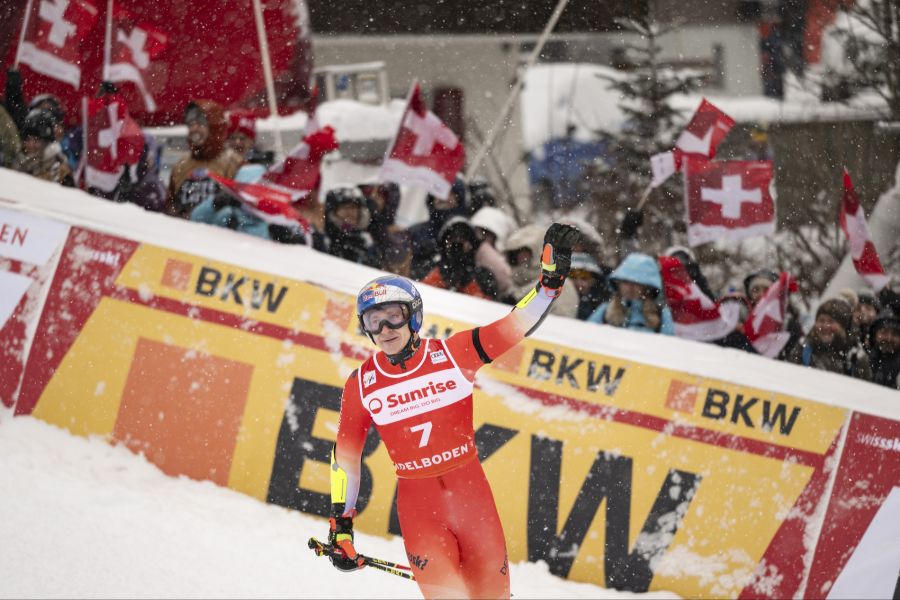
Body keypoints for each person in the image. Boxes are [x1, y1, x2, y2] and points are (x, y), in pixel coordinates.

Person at [324, 224, 580, 599]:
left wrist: (550, 282)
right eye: (373, 321)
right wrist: (340, 525)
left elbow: (514, 324)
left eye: (393, 315)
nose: (385, 328)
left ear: (412, 316)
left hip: (474, 504)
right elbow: (346, 458)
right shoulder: (362, 384)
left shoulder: (455, 354)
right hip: (420, 512)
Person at [166, 100, 243, 218]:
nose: (194, 129)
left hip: (218, 233)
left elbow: (244, 209)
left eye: (201, 123)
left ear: (215, 128)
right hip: (183, 233)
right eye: (191, 123)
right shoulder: (180, 166)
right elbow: (169, 207)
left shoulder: (235, 163)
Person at [588, 253, 674, 335]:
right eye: (625, 282)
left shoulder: (661, 315)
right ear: (618, 284)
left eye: (636, 284)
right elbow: (586, 338)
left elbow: (668, 346)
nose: (630, 288)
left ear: (647, 287)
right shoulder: (604, 311)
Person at [505, 223, 579, 316]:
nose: (520, 256)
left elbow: (560, 322)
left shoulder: (560, 284)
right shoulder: (512, 280)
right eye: (516, 252)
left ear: (539, 251)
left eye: (525, 251)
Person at [787, 298, 870, 380]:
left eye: (831, 321)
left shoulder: (855, 357)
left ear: (844, 326)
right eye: (821, 320)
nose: (825, 326)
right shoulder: (803, 347)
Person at [419, 217, 497, 300]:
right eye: (452, 239)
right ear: (443, 243)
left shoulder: (483, 276)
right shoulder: (428, 267)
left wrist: (467, 283)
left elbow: (487, 307)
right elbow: (419, 295)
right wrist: (440, 278)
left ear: (472, 245)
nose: (457, 244)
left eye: (463, 239)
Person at [11, 108, 74, 186]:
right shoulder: (14, 161)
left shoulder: (60, 171)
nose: (31, 144)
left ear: (46, 143)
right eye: (27, 139)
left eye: (36, 140)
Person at [323, 186, 376, 265]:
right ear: (333, 212)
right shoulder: (325, 239)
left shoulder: (367, 241)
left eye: (354, 207)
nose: (350, 212)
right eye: (344, 207)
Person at [470, 206, 515, 299]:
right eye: (480, 231)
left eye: (487, 233)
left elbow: (504, 282)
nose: (481, 236)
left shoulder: (498, 260)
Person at [568, 252, 611, 321]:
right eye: (572, 276)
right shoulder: (554, 299)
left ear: (593, 281)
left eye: (584, 277)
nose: (578, 282)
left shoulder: (602, 306)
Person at [866, 313, 900, 389]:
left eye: (894, 334)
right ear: (875, 335)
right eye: (884, 332)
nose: (889, 339)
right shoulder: (862, 358)